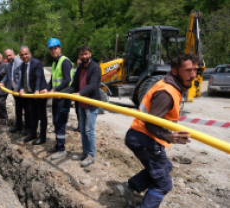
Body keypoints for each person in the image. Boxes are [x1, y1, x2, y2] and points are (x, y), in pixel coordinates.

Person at [117, 54, 198, 208]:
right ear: (175, 71)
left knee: (166, 166)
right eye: (187, 70)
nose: (193, 75)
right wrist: (169, 136)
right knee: (163, 184)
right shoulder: (167, 93)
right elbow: (151, 123)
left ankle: (130, 187)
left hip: (142, 136)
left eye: (194, 70)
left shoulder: (171, 86)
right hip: (145, 138)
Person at [63, 45, 101, 167]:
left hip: (91, 103)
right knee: (83, 130)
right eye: (81, 54)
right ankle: (85, 152)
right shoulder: (79, 69)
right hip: (81, 104)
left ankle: (91, 155)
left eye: (85, 54)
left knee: (89, 130)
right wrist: (63, 93)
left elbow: (93, 85)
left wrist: (80, 93)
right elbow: (74, 85)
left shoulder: (95, 68)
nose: (83, 56)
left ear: (90, 54)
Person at [40, 38, 73, 160]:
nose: (53, 50)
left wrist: (56, 90)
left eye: (55, 48)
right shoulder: (55, 63)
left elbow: (67, 80)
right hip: (56, 97)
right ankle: (58, 145)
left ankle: (61, 149)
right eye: (51, 49)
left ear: (60, 48)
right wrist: (47, 89)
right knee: (56, 121)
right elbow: (51, 81)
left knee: (60, 122)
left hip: (63, 98)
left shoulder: (65, 62)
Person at [17, 45, 48, 145]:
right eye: (22, 55)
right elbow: (23, 80)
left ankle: (42, 137)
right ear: (20, 56)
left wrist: (37, 90)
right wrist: (21, 89)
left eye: (26, 54)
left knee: (42, 116)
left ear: (30, 53)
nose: (25, 56)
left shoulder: (37, 63)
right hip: (30, 94)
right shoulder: (22, 65)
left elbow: (38, 77)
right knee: (32, 114)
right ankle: (33, 133)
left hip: (40, 93)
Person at [0, 49, 31, 134]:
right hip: (15, 91)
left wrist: (19, 88)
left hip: (22, 90)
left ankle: (28, 128)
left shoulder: (20, 63)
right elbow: (7, 75)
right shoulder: (9, 64)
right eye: (7, 56)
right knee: (18, 108)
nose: (9, 57)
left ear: (13, 54)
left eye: (10, 55)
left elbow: (22, 77)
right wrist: (2, 82)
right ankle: (18, 125)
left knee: (26, 108)